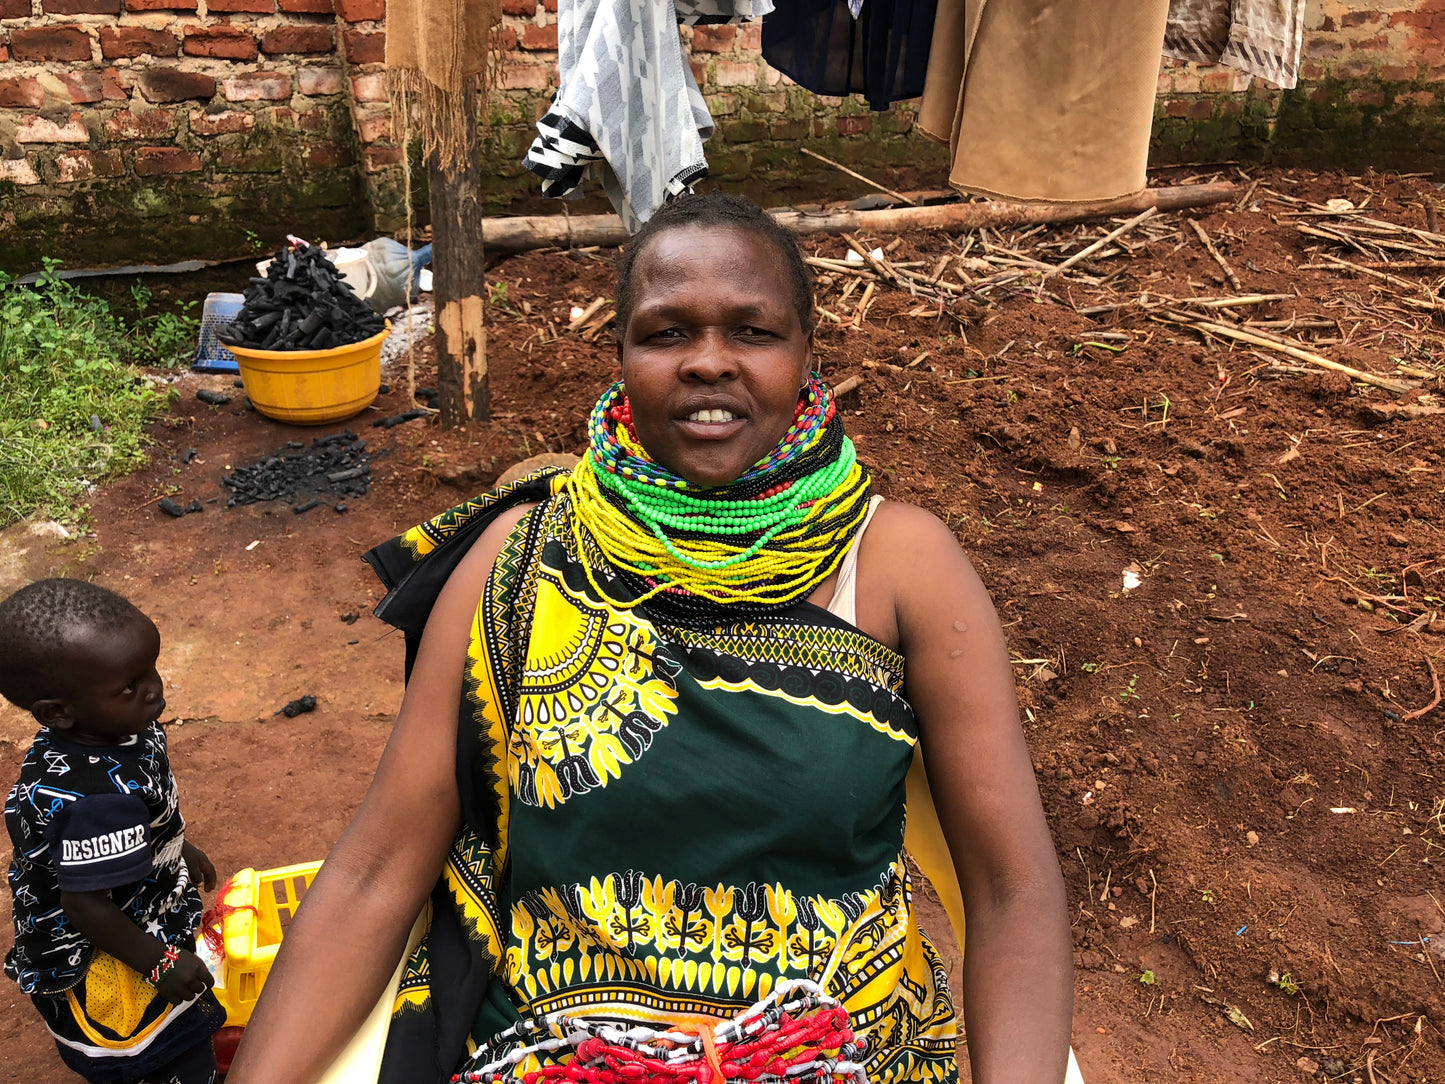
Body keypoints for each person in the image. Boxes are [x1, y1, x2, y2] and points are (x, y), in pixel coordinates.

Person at [227, 193, 1073, 1084]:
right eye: (667, 333)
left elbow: (1012, 890)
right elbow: (375, 869)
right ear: (623, 356)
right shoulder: (520, 562)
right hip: (555, 1057)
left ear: (806, 354)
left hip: (838, 1052)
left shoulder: (898, 566)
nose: (709, 363)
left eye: (753, 331)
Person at [1, 578, 224, 1084]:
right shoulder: (94, 802)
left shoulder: (111, 726)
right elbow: (85, 906)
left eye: (152, 668)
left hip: (130, 913)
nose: (155, 688)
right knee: (153, 1050)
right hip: (104, 949)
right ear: (58, 712)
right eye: (131, 684)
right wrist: (159, 963)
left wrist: (174, 847)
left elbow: (143, 810)